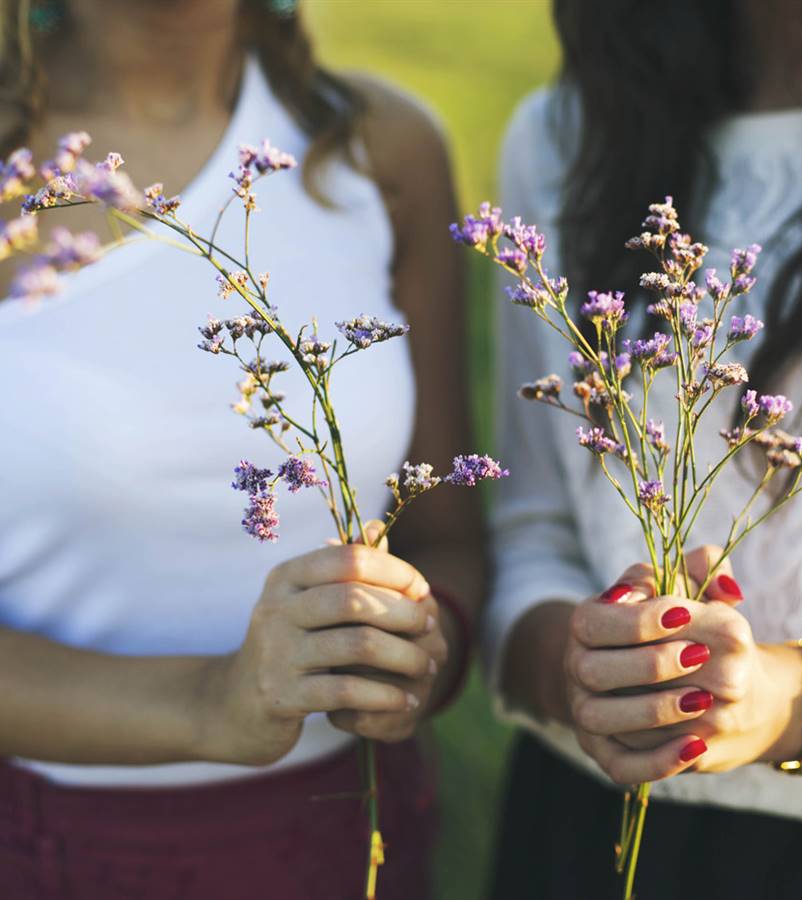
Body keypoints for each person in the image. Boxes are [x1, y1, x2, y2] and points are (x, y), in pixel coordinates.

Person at [0, 2, 483, 899]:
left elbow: (450, 538)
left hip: (350, 836)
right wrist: (212, 701)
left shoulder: (378, 152)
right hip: (44, 848)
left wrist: (422, 647)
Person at [485, 1, 802, 898]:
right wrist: (581, 668)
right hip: (588, 830)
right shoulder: (566, 137)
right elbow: (531, 532)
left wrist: (790, 701)